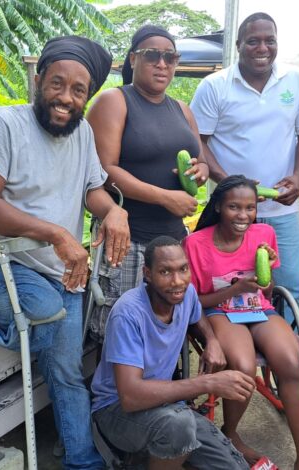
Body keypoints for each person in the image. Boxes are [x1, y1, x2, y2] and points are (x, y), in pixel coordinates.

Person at [0, 36, 130, 469]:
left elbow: (94, 189)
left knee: (68, 373)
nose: (66, 99)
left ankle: (82, 460)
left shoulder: (83, 133)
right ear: (38, 81)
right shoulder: (1, 125)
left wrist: (114, 212)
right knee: (49, 312)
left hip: (63, 272)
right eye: (57, 84)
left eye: (78, 91)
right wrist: (56, 234)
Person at [190, 12, 299, 319]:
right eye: (253, 41)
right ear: (238, 44)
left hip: (282, 211)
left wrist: (298, 177)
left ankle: (294, 357)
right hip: (229, 212)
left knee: (288, 289)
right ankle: (238, 353)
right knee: (225, 286)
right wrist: (234, 185)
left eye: (269, 40)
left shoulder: (296, 80)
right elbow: (198, 140)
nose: (262, 48)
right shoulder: (215, 86)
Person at [86, 25, 208, 343]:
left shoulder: (181, 108)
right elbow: (103, 169)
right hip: (128, 239)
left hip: (171, 241)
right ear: (133, 59)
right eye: (152, 55)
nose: (162, 63)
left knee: (167, 325)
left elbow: (201, 157)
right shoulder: (115, 101)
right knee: (122, 328)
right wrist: (164, 197)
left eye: (170, 57)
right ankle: (115, 393)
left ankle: (166, 389)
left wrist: (202, 169)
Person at [183, 176, 299, 470]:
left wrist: (264, 275)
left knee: (290, 363)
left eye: (250, 208)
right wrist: (233, 290)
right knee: (243, 366)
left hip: (258, 309)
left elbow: (267, 291)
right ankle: (231, 434)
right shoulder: (195, 243)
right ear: (218, 207)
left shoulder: (264, 233)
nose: (243, 216)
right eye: (234, 207)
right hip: (219, 311)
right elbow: (193, 301)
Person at [90, 236, 253, 470]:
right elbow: (130, 397)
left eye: (183, 269)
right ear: (147, 274)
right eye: (165, 272)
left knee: (234, 466)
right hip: (114, 411)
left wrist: (212, 340)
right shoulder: (127, 313)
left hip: (165, 405)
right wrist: (208, 383)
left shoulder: (186, 294)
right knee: (179, 427)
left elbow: (198, 316)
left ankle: (148, 457)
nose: (177, 281)